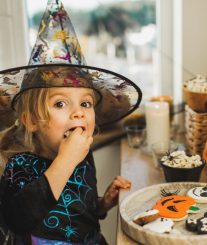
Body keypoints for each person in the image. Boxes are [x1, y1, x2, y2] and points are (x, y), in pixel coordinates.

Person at [0, 0, 142, 244]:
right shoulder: (20, 166)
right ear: (31, 121)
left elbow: (81, 214)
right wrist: (66, 160)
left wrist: (103, 203)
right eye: (60, 104)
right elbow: (18, 219)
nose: (78, 113)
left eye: (85, 104)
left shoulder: (83, 158)